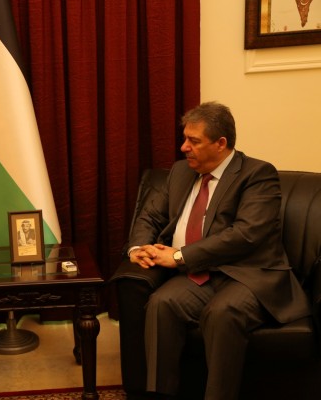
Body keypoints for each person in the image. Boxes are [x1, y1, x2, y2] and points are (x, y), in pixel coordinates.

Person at [124, 102, 309, 400]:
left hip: (248, 275)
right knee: (161, 304)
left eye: (193, 141)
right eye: (184, 138)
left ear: (221, 143)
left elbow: (246, 234)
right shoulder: (181, 172)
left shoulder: (258, 174)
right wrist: (137, 248)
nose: (184, 147)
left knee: (222, 312)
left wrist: (179, 256)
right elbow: (151, 215)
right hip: (199, 274)